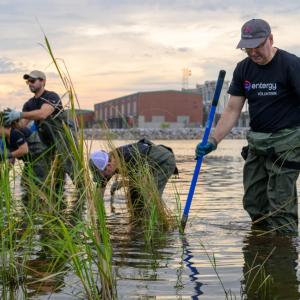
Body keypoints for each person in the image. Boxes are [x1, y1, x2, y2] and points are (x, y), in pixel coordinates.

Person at [195, 19, 300, 233]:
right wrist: (213, 141)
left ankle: (283, 256)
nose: (252, 53)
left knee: (281, 205)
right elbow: (233, 108)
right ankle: (259, 251)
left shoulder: (291, 65)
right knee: (254, 201)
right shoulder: (243, 69)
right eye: (247, 48)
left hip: (287, 144)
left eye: (258, 46)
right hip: (257, 144)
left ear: (271, 39)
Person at [3, 70, 79, 191]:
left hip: (63, 138)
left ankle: (84, 196)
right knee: (49, 174)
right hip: (46, 142)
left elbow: (43, 114)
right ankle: (54, 199)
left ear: (43, 81)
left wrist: (20, 114)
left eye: (33, 81)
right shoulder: (29, 104)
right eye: (28, 82)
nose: (30, 84)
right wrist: (12, 121)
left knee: (71, 168)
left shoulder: (51, 96)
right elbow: (22, 125)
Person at [89, 139, 178, 210]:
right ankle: (137, 223)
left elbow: (141, 182)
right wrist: (95, 213)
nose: (103, 177)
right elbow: (99, 194)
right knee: (133, 196)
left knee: (149, 197)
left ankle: (160, 224)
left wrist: (121, 183)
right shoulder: (106, 166)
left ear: (108, 166)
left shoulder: (130, 156)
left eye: (102, 175)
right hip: (146, 167)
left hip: (163, 160)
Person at [0, 112, 50, 187]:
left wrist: (6, 155)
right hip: (30, 162)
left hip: (40, 159)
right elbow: (12, 157)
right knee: (24, 184)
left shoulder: (16, 133)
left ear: (2, 126)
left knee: (38, 185)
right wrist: (6, 175)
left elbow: (24, 150)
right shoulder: (6, 138)